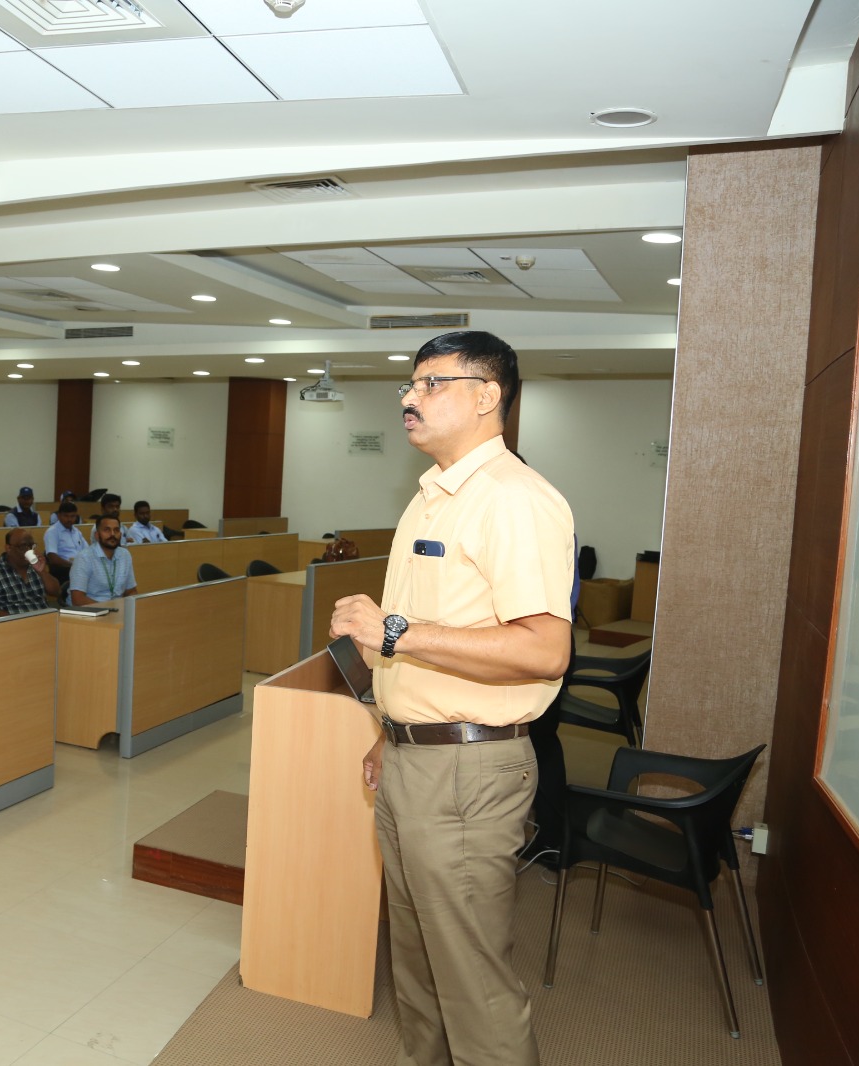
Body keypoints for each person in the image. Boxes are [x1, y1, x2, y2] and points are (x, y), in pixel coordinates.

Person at [327, 330, 573, 1066]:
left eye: (432, 383)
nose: (411, 397)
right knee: (417, 962)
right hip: (415, 758)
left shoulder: (514, 500)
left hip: (469, 772)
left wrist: (395, 629)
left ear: (487, 395)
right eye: (410, 384)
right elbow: (430, 646)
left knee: (472, 981)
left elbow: (545, 649)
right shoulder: (431, 497)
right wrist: (391, 729)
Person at [0, 528, 58, 618]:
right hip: (16, 622)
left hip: (44, 619)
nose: (29, 550)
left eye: (31, 546)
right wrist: (8, 618)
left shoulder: (35, 568)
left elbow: (56, 592)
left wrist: (42, 572)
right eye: (23, 546)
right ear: (8, 548)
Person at [69, 515, 137, 605]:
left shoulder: (125, 555)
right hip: (91, 609)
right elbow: (78, 599)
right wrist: (108, 610)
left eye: (116, 530)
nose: (112, 534)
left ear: (120, 534)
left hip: (118, 608)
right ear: (97, 535)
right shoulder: (84, 558)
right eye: (107, 530)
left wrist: (128, 608)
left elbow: (131, 591)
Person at [43, 500, 87, 583]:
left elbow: (87, 551)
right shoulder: (52, 532)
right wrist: (74, 566)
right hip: (63, 572)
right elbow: (53, 558)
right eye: (66, 516)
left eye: (72, 516)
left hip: (80, 569)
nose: (69, 519)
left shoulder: (77, 532)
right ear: (59, 516)